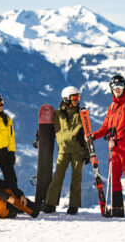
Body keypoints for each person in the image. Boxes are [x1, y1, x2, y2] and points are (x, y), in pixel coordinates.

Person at [91, 75, 125, 220]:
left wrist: (118, 140)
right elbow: (105, 127)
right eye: (114, 88)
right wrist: (93, 136)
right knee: (113, 178)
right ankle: (117, 208)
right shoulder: (112, 106)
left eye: (120, 87)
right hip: (114, 149)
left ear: (124, 87)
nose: (117, 90)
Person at [44, 86, 87, 215]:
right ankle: (50, 204)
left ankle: (74, 206)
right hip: (63, 150)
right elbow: (51, 130)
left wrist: (89, 152)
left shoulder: (81, 113)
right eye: (74, 97)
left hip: (78, 150)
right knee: (58, 177)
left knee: (76, 178)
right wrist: (40, 135)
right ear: (66, 98)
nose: (77, 100)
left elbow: (87, 133)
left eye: (78, 97)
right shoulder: (58, 114)